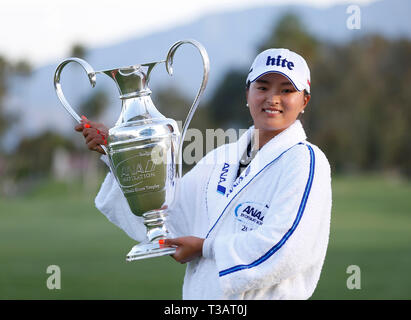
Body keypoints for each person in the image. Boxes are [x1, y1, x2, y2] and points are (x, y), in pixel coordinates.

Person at [75, 48, 332, 300]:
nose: (272, 98)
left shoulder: (306, 161)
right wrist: (118, 153)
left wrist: (205, 248)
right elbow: (169, 217)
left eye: (286, 90)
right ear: (248, 93)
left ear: (304, 101)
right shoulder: (222, 158)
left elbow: (288, 248)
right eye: (263, 87)